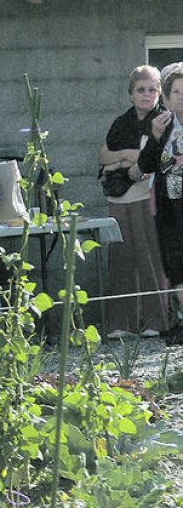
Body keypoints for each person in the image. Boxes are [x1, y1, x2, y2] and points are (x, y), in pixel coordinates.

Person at [99, 66, 171, 340]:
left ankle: (157, 321)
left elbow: (153, 159)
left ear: (159, 93)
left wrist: (125, 158)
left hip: (148, 197)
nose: (146, 95)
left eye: (152, 90)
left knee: (150, 257)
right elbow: (103, 156)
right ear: (131, 94)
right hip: (118, 196)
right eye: (141, 90)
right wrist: (131, 155)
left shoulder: (165, 120)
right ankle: (122, 323)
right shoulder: (121, 122)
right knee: (121, 258)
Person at [139, 63, 183, 341]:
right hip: (170, 208)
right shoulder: (161, 125)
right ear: (166, 97)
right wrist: (155, 138)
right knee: (175, 264)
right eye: (176, 92)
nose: (181, 97)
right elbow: (145, 165)